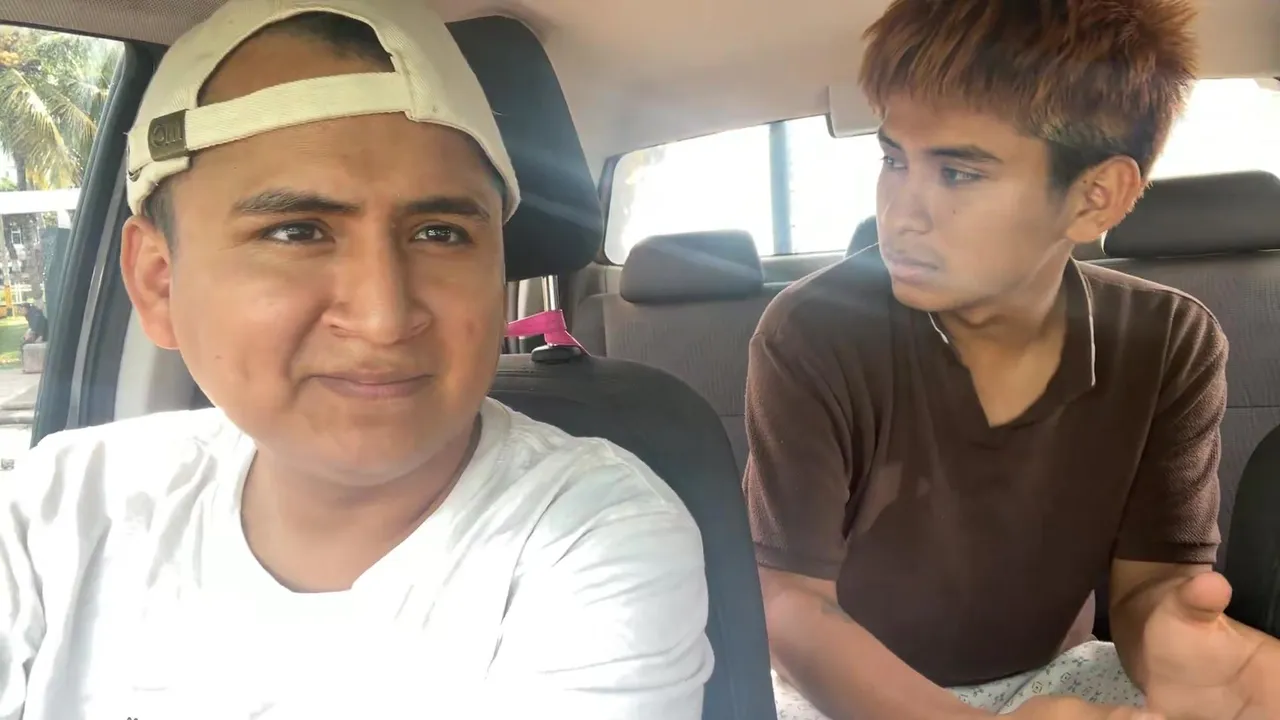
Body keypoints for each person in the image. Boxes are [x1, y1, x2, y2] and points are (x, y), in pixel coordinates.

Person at [0, 1, 713, 718]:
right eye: (297, 232)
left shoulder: (587, 537)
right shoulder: (58, 508)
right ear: (159, 282)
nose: (384, 318)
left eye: (440, 233)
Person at [743, 1, 1280, 719]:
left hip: (1057, 677)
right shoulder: (812, 332)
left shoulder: (1169, 341)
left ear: (1095, 198)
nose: (900, 214)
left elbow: (1151, 585)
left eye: (958, 174)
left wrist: (1185, 648)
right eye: (894, 160)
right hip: (843, 687)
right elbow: (789, 603)